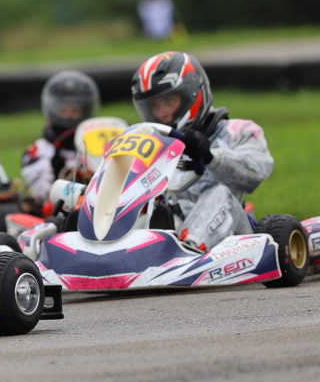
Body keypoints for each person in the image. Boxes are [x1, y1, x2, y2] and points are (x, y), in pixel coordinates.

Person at [131, 51, 273, 250]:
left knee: (219, 192)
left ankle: (188, 250)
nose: (162, 113)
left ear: (193, 94)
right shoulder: (153, 146)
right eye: (154, 106)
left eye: (169, 101)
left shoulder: (238, 131)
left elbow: (256, 172)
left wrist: (210, 157)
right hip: (174, 225)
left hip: (233, 235)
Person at [21, 70, 100, 207]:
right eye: (63, 111)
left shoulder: (99, 146)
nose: (69, 116)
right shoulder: (39, 151)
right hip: (57, 211)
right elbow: (40, 195)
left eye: (75, 111)